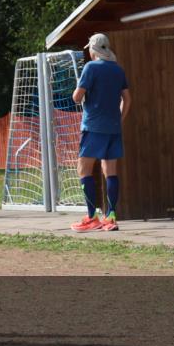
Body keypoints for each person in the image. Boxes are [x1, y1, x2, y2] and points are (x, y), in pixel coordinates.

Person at [71, 33, 131, 232]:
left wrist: (78, 90)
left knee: (83, 169)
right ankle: (111, 216)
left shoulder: (90, 67)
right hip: (113, 128)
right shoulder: (117, 69)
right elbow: (127, 99)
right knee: (110, 170)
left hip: (93, 127)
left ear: (93, 49)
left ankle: (91, 217)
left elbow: (77, 97)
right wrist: (119, 119)